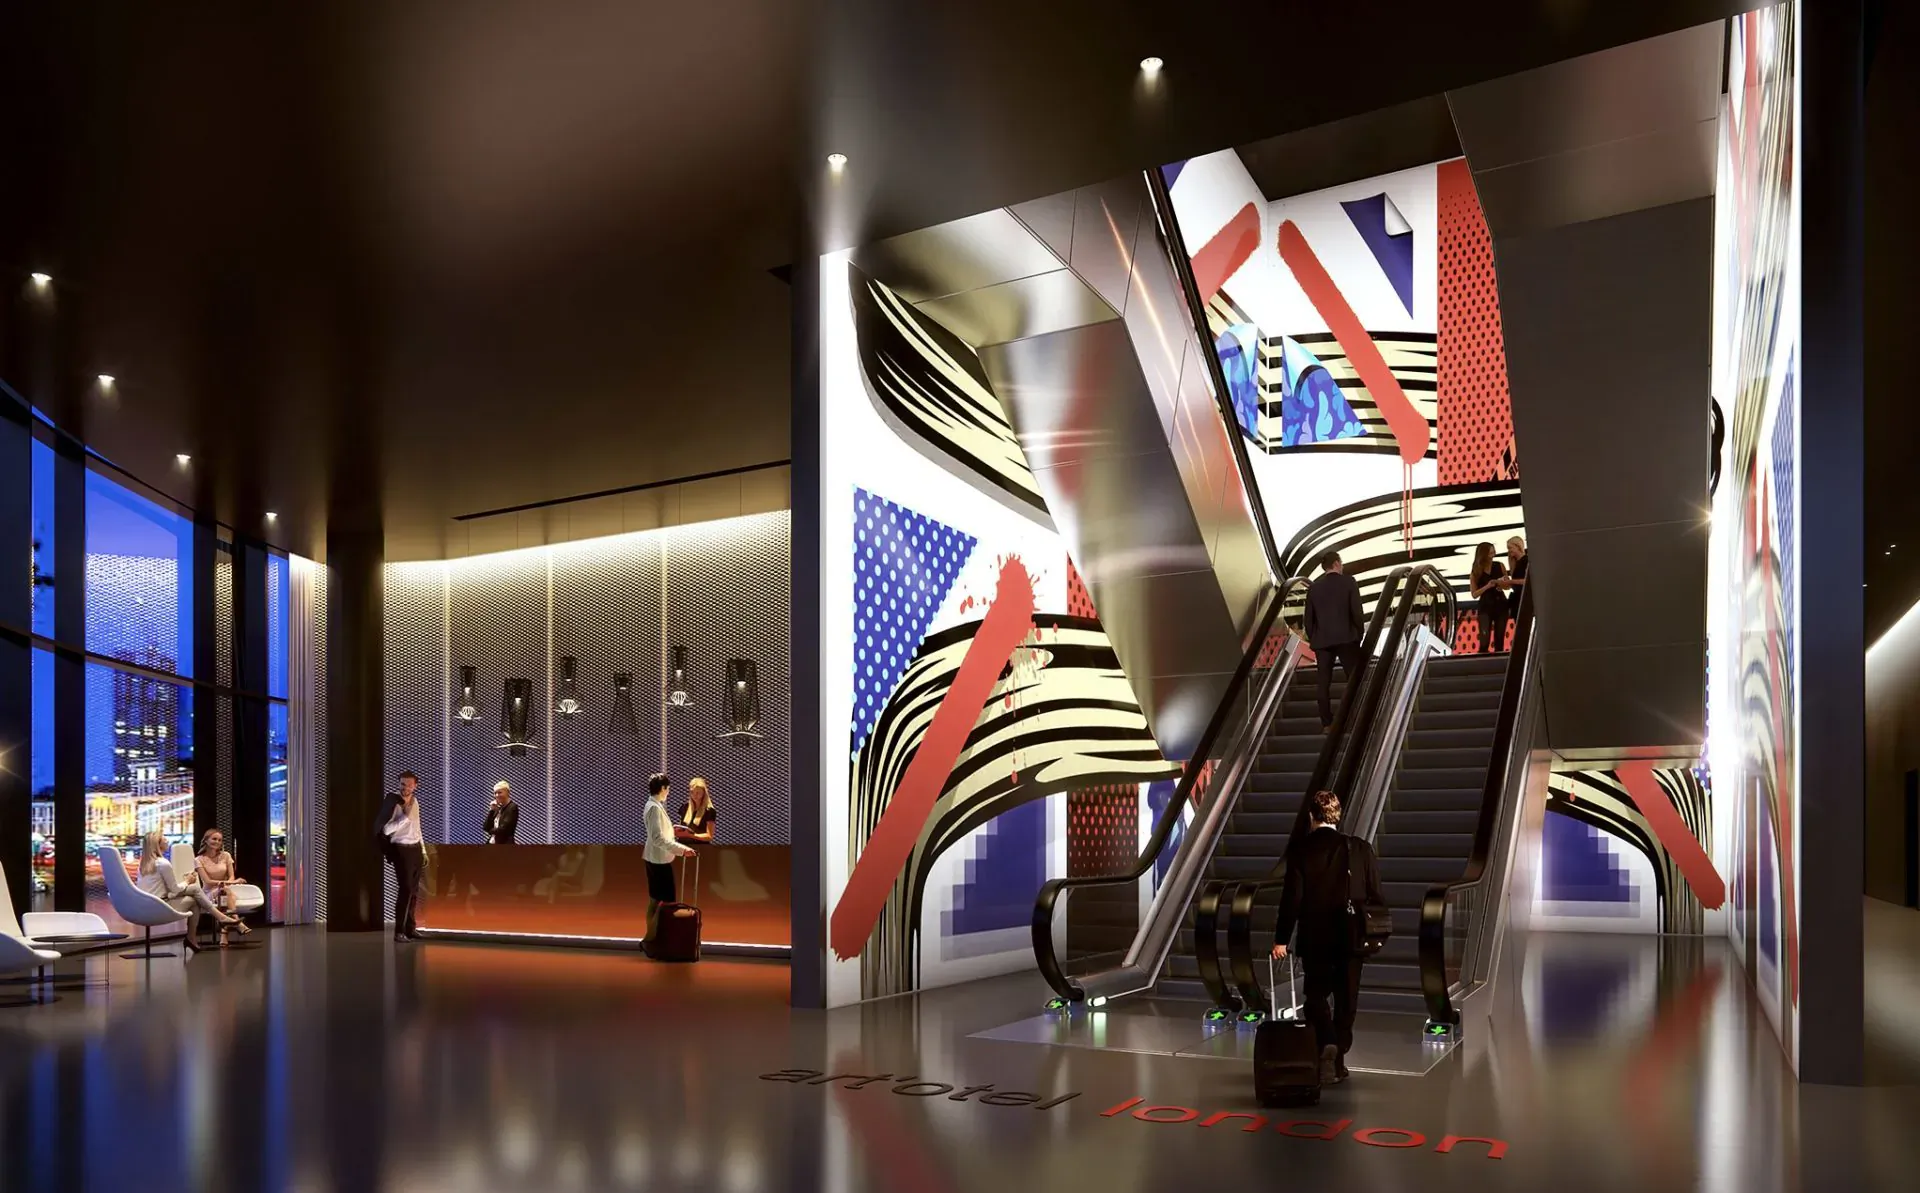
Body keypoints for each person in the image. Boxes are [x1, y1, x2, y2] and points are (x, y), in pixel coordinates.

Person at [1269, 790, 1384, 1086]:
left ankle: (1328, 1044)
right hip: (1352, 938)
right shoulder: (1360, 849)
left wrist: (1281, 939)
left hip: (1316, 938)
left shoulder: (1301, 850)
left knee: (1316, 997)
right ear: (1337, 816)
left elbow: (1292, 899)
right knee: (1347, 1002)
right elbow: (1376, 895)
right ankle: (1337, 1060)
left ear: (1312, 816)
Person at [136, 830, 241, 953]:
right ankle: (219, 919)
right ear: (157, 844)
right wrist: (188, 881)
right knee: (195, 894)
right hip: (160, 906)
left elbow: (163, 890)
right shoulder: (163, 864)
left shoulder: (144, 864)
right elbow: (174, 890)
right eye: (164, 838)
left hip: (146, 905)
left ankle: (194, 936)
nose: (167, 840)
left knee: (194, 897)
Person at [1304, 550, 1367, 731]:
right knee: (1353, 679)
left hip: (1322, 641)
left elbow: (1308, 619)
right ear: (1337, 564)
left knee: (1323, 681)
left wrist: (1314, 637)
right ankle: (1357, 717)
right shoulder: (1349, 582)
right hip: (1347, 638)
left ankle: (1326, 722)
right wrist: (1359, 633)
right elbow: (1356, 611)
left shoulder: (1314, 588)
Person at [643, 772, 696, 955]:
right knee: (665, 904)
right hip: (659, 860)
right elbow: (658, 838)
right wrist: (682, 850)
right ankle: (655, 941)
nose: (668, 792)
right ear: (663, 788)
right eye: (668, 789)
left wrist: (672, 829)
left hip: (654, 858)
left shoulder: (653, 805)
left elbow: (657, 833)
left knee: (655, 901)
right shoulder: (654, 808)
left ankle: (652, 940)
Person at [379, 770, 427, 943]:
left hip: (415, 849)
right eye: (402, 784)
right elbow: (385, 829)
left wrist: (423, 849)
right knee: (405, 889)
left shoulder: (415, 801)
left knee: (414, 891)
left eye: (409, 784)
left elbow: (418, 827)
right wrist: (404, 818)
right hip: (401, 849)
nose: (405, 787)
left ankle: (410, 928)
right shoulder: (393, 802)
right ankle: (399, 931)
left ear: (416, 785)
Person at [192, 828, 255, 946]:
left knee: (224, 893)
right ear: (206, 840)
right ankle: (237, 923)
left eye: (220, 840)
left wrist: (230, 883)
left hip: (225, 890)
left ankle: (225, 933)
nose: (217, 842)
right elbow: (208, 881)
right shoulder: (198, 860)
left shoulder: (226, 856)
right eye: (214, 839)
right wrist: (232, 883)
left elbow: (231, 877)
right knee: (225, 892)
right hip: (208, 894)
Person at [1469, 541, 1511, 653]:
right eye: (1490, 552)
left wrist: (1501, 585)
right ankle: (1481, 663)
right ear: (1484, 554)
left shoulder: (1499, 565)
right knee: (1484, 639)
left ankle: (1500, 664)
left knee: (1499, 638)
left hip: (1501, 605)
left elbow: (1508, 585)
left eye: (1493, 551)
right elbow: (1474, 594)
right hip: (1485, 606)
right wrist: (1488, 586)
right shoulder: (1476, 571)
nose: (1493, 554)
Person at [677, 777, 717, 844]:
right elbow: (681, 827)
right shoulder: (684, 807)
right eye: (692, 792)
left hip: (700, 847)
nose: (695, 795)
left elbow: (709, 836)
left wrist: (690, 835)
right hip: (683, 847)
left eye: (698, 793)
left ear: (703, 793)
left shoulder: (709, 811)